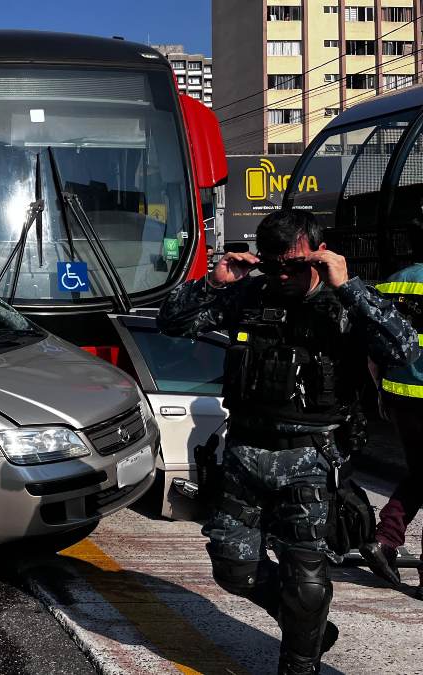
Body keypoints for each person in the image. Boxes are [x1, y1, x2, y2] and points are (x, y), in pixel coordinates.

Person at [157, 210, 419, 675]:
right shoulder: (250, 293)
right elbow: (172, 323)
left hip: (312, 457)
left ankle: (300, 662)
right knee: (232, 567)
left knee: (306, 578)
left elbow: (403, 352)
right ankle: (311, 627)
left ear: (319, 257)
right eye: (272, 265)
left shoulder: (345, 303)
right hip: (245, 453)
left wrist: (350, 287)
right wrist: (214, 282)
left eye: (294, 266)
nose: (282, 275)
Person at [361, 227, 423, 592]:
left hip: (400, 396)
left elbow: (374, 349)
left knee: (420, 472)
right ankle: (386, 540)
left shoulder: (392, 284)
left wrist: (381, 393)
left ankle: (385, 540)